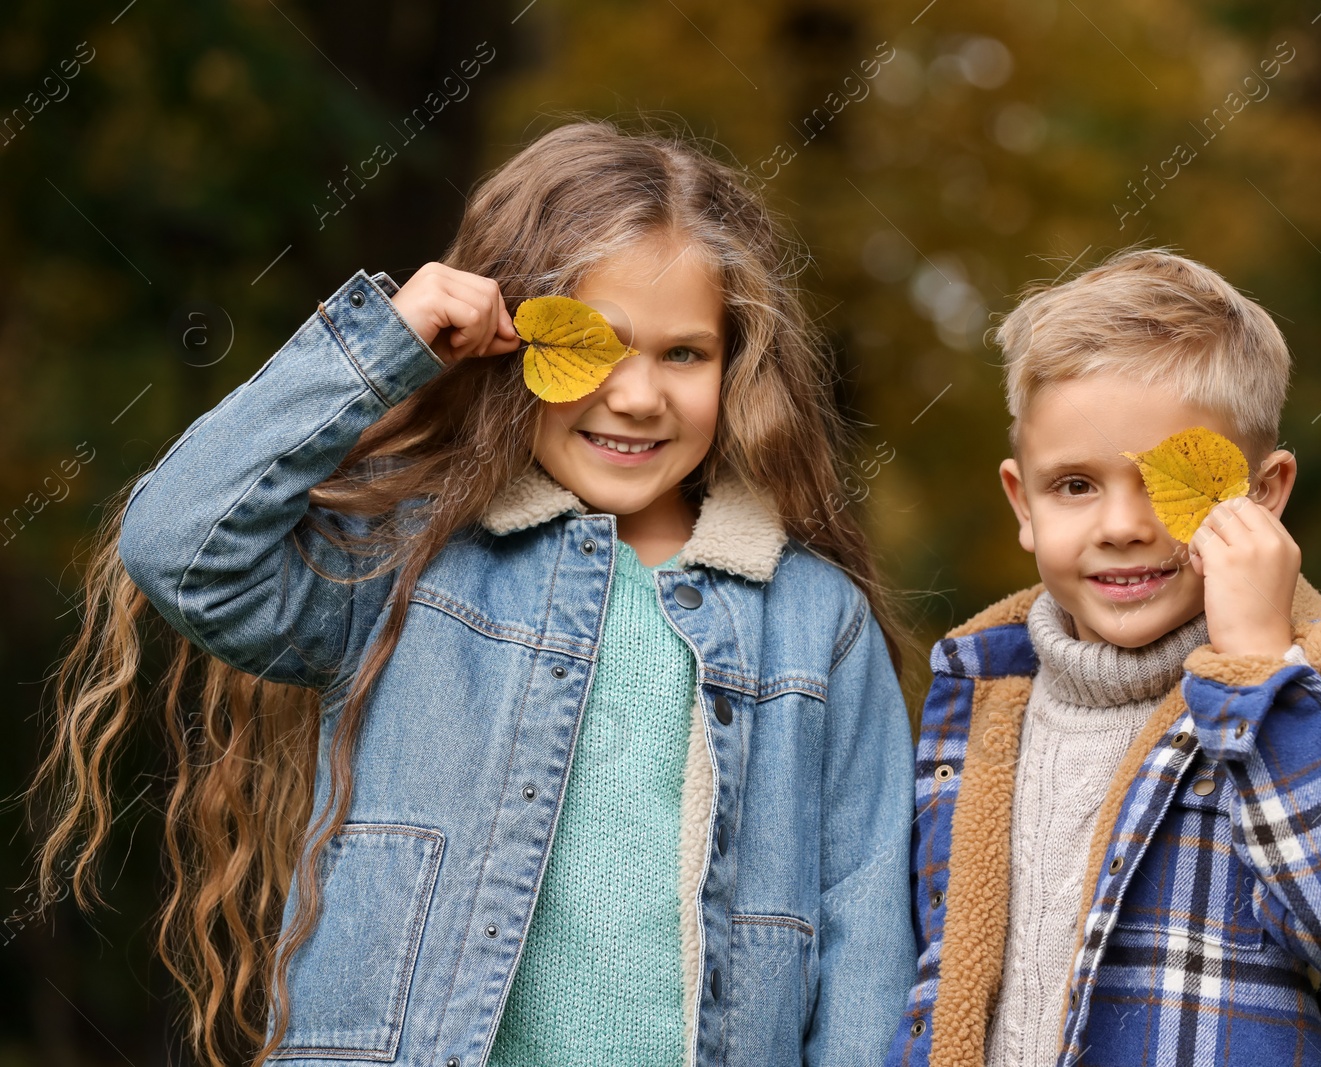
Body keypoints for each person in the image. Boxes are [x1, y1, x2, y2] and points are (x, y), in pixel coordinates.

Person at [29, 121, 915, 1067]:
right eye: (595, 344)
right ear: (512, 344)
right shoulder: (412, 565)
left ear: (736, 367)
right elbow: (182, 542)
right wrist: (386, 348)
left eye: (684, 354)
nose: (638, 395)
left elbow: (865, 935)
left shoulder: (812, 620)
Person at [885, 249, 1321, 1066]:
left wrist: (1264, 669)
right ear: (1023, 500)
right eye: (1075, 485)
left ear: (1265, 494)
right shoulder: (979, 705)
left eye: (1170, 482)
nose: (1122, 525)